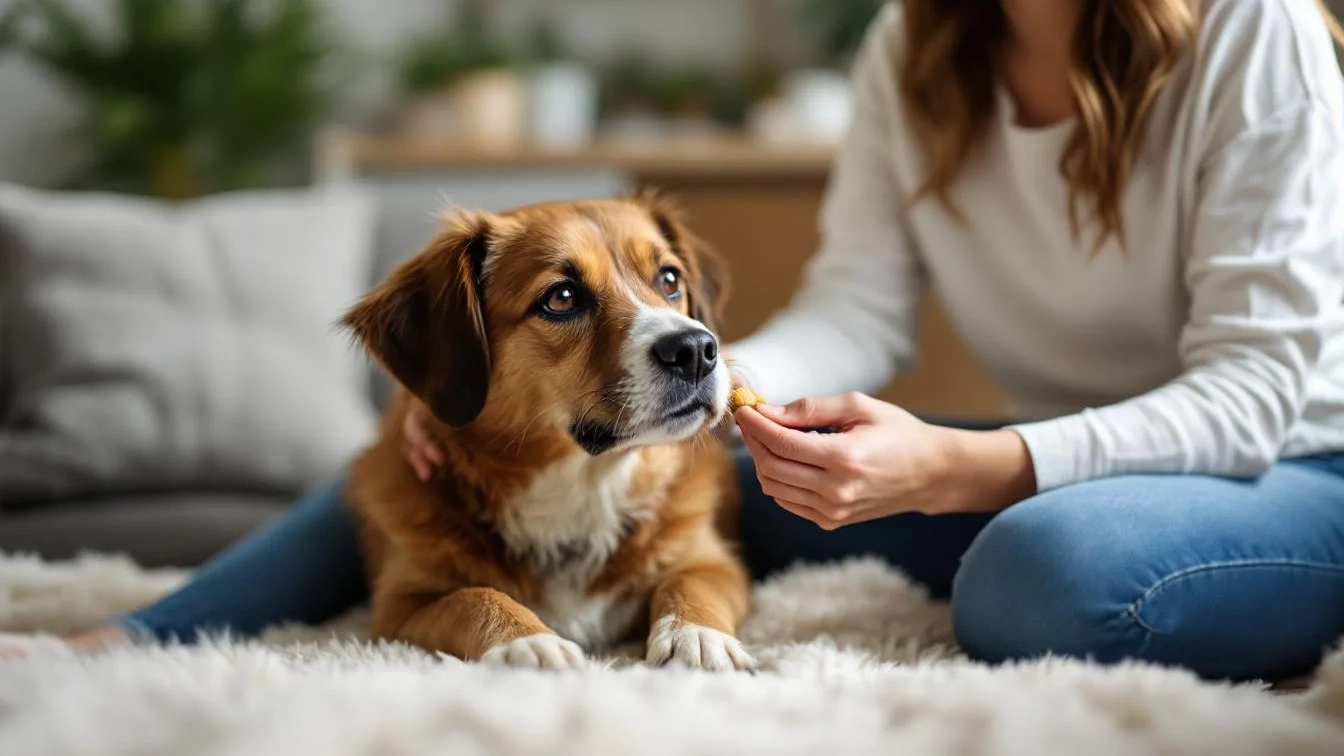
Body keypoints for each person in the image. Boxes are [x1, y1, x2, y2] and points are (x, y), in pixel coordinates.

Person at [6, 0, 1344, 684]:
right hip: (1072, 451)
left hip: (1288, 464)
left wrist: (961, 470)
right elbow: (862, 310)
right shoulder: (918, 43)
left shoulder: (1254, 31)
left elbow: (1257, 388)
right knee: (509, 460)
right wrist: (711, 385)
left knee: (1045, 577)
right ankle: (142, 634)